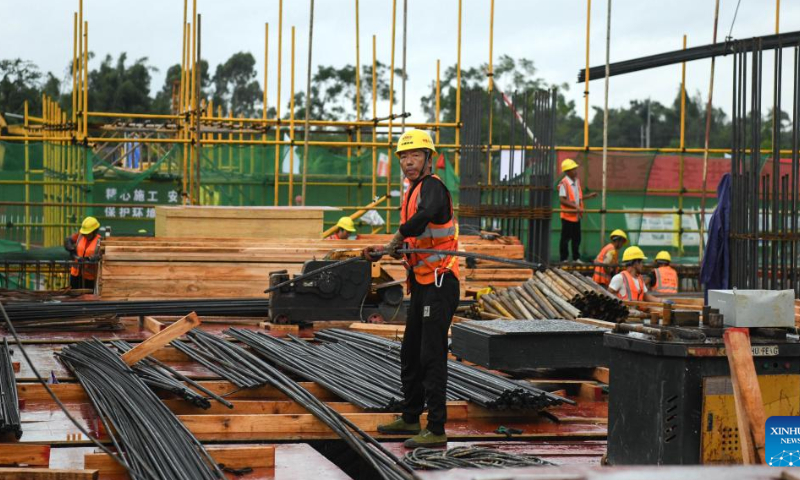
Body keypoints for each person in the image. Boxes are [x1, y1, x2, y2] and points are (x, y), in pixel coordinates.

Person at [365, 129, 459, 448]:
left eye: (415, 155)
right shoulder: (411, 192)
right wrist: (387, 247)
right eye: (404, 156)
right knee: (411, 352)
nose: (408, 161)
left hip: (440, 281)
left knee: (431, 355)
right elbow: (414, 237)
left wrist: (397, 237)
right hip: (421, 284)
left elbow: (427, 216)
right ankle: (410, 417)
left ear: (429, 159)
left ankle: (436, 428)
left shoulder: (432, 187)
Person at [558, 158, 597, 262]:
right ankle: (564, 259)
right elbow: (562, 200)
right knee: (565, 239)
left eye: (575, 169)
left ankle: (576, 258)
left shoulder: (576, 182)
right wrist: (576, 207)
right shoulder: (564, 183)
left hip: (576, 216)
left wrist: (588, 196)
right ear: (567, 171)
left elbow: (577, 198)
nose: (575, 171)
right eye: (573, 169)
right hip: (567, 216)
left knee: (576, 239)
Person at [64, 216, 102, 291]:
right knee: (73, 296)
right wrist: (71, 249)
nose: (85, 235)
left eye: (88, 233)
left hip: (89, 278)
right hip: (75, 274)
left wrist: (89, 259)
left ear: (94, 231)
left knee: (87, 299)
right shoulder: (80, 236)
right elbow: (68, 240)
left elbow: (101, 255)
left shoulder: (100, 241)